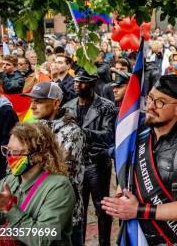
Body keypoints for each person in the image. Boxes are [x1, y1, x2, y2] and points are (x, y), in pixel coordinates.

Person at [102, 75, 177, 245]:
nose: (151, 106)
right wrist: (120, 195)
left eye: (160, 102)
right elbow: (127, 174)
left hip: (170, 237)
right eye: (150, 98)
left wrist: (138, 210)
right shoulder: (138, 133)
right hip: (133, 232)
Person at [0, 123, 75, 245]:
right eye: (7, 151)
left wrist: (9, 208)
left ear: (38, 156)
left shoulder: (59, 187)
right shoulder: (8, 182)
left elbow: (42, 240)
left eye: (16, 153)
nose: (9, 158)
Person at [23, 82, 86, 246]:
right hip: (37, 211)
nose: (32, 106)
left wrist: (31, 161)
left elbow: (60, 175)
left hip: (66, 218)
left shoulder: (72, 132)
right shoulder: (34, 128)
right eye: (32, 101)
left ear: (56, 102)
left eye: (39, 101)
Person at [62, 69, 116, 246]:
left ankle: (104, 243)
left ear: (92, 84)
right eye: (76, 81)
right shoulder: (68, 106)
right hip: (75, 165)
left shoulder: (106, 106)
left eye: (82, 81)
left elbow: (108, 136)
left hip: (97, 163)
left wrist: (82, 132)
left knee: (102, 208)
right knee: (78, 208)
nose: (77, 84)